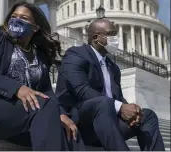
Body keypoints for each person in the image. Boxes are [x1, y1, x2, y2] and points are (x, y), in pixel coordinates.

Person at [0, 2, 86, 151]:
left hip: (18, 116)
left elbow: (46, 91)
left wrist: (61, 113)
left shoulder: (40, 56)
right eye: (14, 16)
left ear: (36, 27)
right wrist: (17, 89)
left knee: (68, 128)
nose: (17, 20)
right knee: (46, 108)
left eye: (24, 18)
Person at [55, 19, 165, 151]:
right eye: (111, 34)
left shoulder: (113, 67)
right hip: (79, 124)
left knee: (147, 116)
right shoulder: (76, 54)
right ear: (96, 37)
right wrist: (120, 107)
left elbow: (117, 97)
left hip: (108, 123)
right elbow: (82, 91)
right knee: (103, 103)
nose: (116, 39)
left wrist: (131, 111)